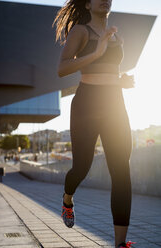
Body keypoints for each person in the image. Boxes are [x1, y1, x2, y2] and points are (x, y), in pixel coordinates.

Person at [53, 1, 136, 248]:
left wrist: (121, 81)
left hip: (115, 103)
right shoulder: (81, 31)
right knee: (82, 167)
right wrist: (96, 53)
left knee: (122, 172)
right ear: (88, 4)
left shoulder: (115, 35)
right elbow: (62, 68)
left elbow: (108, 71)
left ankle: (120, 244)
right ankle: (68, 199)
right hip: (87, 102)